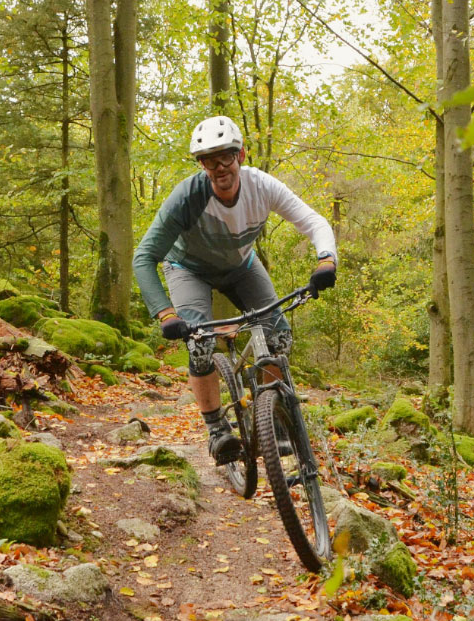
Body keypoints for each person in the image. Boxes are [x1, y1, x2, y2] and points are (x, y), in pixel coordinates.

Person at [132, 115, 337, 464]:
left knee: (279, 338)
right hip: (188, 269)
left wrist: (326, 261)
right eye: (208, 161)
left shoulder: (262, 187)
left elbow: (314, 221)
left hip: (241, 266)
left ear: (240, 155)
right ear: (201, 165)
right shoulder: (187, 198)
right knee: (200, 345)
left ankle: (272, 415)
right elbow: (144, 257)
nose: (219, 168)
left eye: (225, 157)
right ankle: (217, 429)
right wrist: (165, 314)